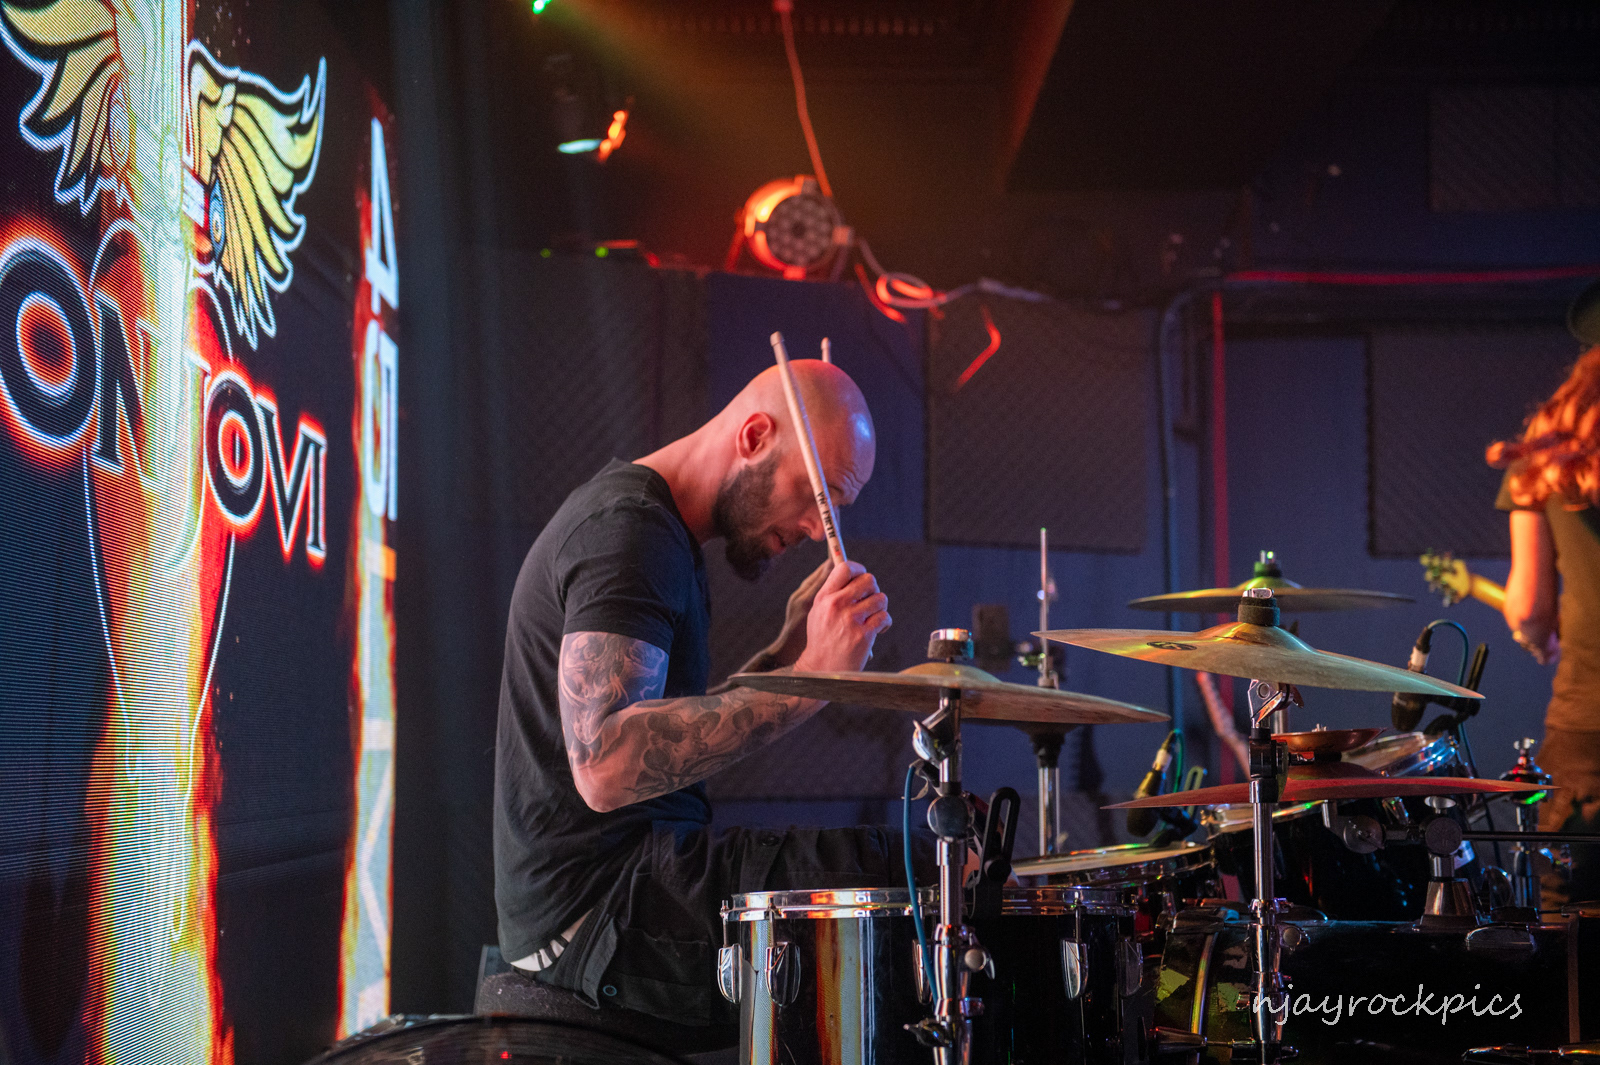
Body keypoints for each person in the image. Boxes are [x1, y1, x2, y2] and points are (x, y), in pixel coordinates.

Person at [492, 359, 931, 1034]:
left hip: (625, 888)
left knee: (904, 864)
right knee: (915, 871)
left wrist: (786, 661)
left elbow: (659, 727)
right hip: (596, 916)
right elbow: (606, 764)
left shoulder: (660, 531)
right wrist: (816, 681)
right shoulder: (629, 533)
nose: (819, 530)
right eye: (817, 498)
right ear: (754, 437)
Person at [1489, 345, 1600, 908]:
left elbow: (1530, 609)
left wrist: (1538, 636)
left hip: (1590, 730)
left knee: (1568, 917)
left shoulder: (1548, 456)